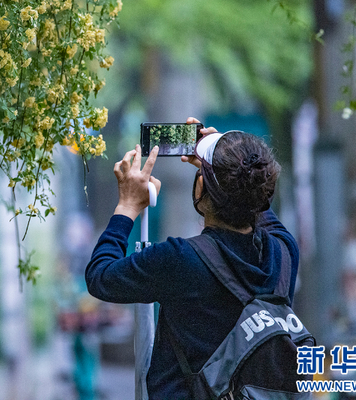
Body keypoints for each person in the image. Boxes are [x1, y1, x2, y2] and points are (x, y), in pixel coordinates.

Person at [85, 118, 300, 400]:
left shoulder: (181, 260)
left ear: (202, 190)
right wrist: (231, 160)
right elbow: (259, 202)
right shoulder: (284, 252)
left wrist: (127, 206)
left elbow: (100, 277)